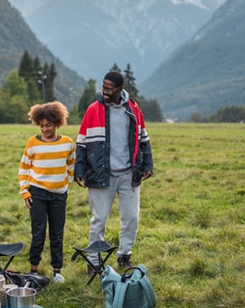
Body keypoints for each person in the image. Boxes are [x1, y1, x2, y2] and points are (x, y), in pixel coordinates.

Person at [74, 70, 153, 269]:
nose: (105, 91)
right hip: (101, 174)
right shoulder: (93, 110)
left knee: (131, 218)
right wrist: (79, 170)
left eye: (109, 88)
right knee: (99, 219)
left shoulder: (134, 109)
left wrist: (147, 165)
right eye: (103, 87)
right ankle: (93, 261)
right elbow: (81, 143)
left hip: (129, 174)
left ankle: (124, 255)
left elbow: (144, 139)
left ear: (120, 89)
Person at [18, 101, 76, 283]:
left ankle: (57, 271)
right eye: (41, 126)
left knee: (57, 233)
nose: (44, 129)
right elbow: (23, 169)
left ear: (57, 123)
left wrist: (66, 186)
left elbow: (71, 167)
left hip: (59, 195)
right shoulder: (32, 143)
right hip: (38, 194)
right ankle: (33, 270)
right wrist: (25, 192)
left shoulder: (67, 143)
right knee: (38, 232)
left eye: (48, 125)